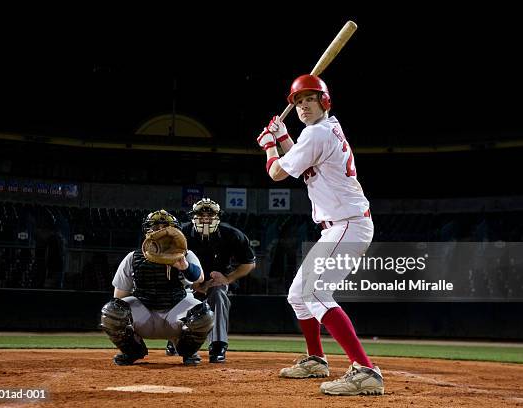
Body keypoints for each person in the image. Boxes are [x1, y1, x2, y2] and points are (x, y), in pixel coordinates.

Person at [256, 74, 384, 396]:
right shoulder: (322, 132)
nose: (302, 107)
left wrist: (269, 145)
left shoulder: (315, 134)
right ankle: (316, 359)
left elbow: (277, 172)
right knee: (298, 295)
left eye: (309, 100)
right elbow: (305, 166)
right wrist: (284, 137)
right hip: (343, 225)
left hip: (348, 224)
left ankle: (365, 370)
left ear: (324, 101)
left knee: (315, 293)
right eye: (298, 102)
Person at [100, 209, 214, 366]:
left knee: (203, 314)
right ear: (147, 230)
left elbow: (199, 279)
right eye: (155, 226)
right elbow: (119, 297)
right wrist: (122, 322)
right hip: (145, 314)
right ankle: (133, 351)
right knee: (112, 311)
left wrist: (184, 266)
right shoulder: (133, 257)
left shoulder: (184, 254)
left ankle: (187, 351)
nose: (160, 230)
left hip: (175, 312)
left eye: (165, 226)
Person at [165, 197, 256, 363]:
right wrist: (192, 281)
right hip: (186, 279)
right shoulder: (180, 233)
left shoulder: (231, 234)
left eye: (210, 215)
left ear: (217, 216)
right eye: (201, 214)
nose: (205, 218)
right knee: (175, 294)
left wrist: (229, 278)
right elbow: (167, 261)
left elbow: (249, 263)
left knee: (219, 295)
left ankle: (218, 345)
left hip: (216, 280)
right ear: (193, 216)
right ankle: (177, 338)